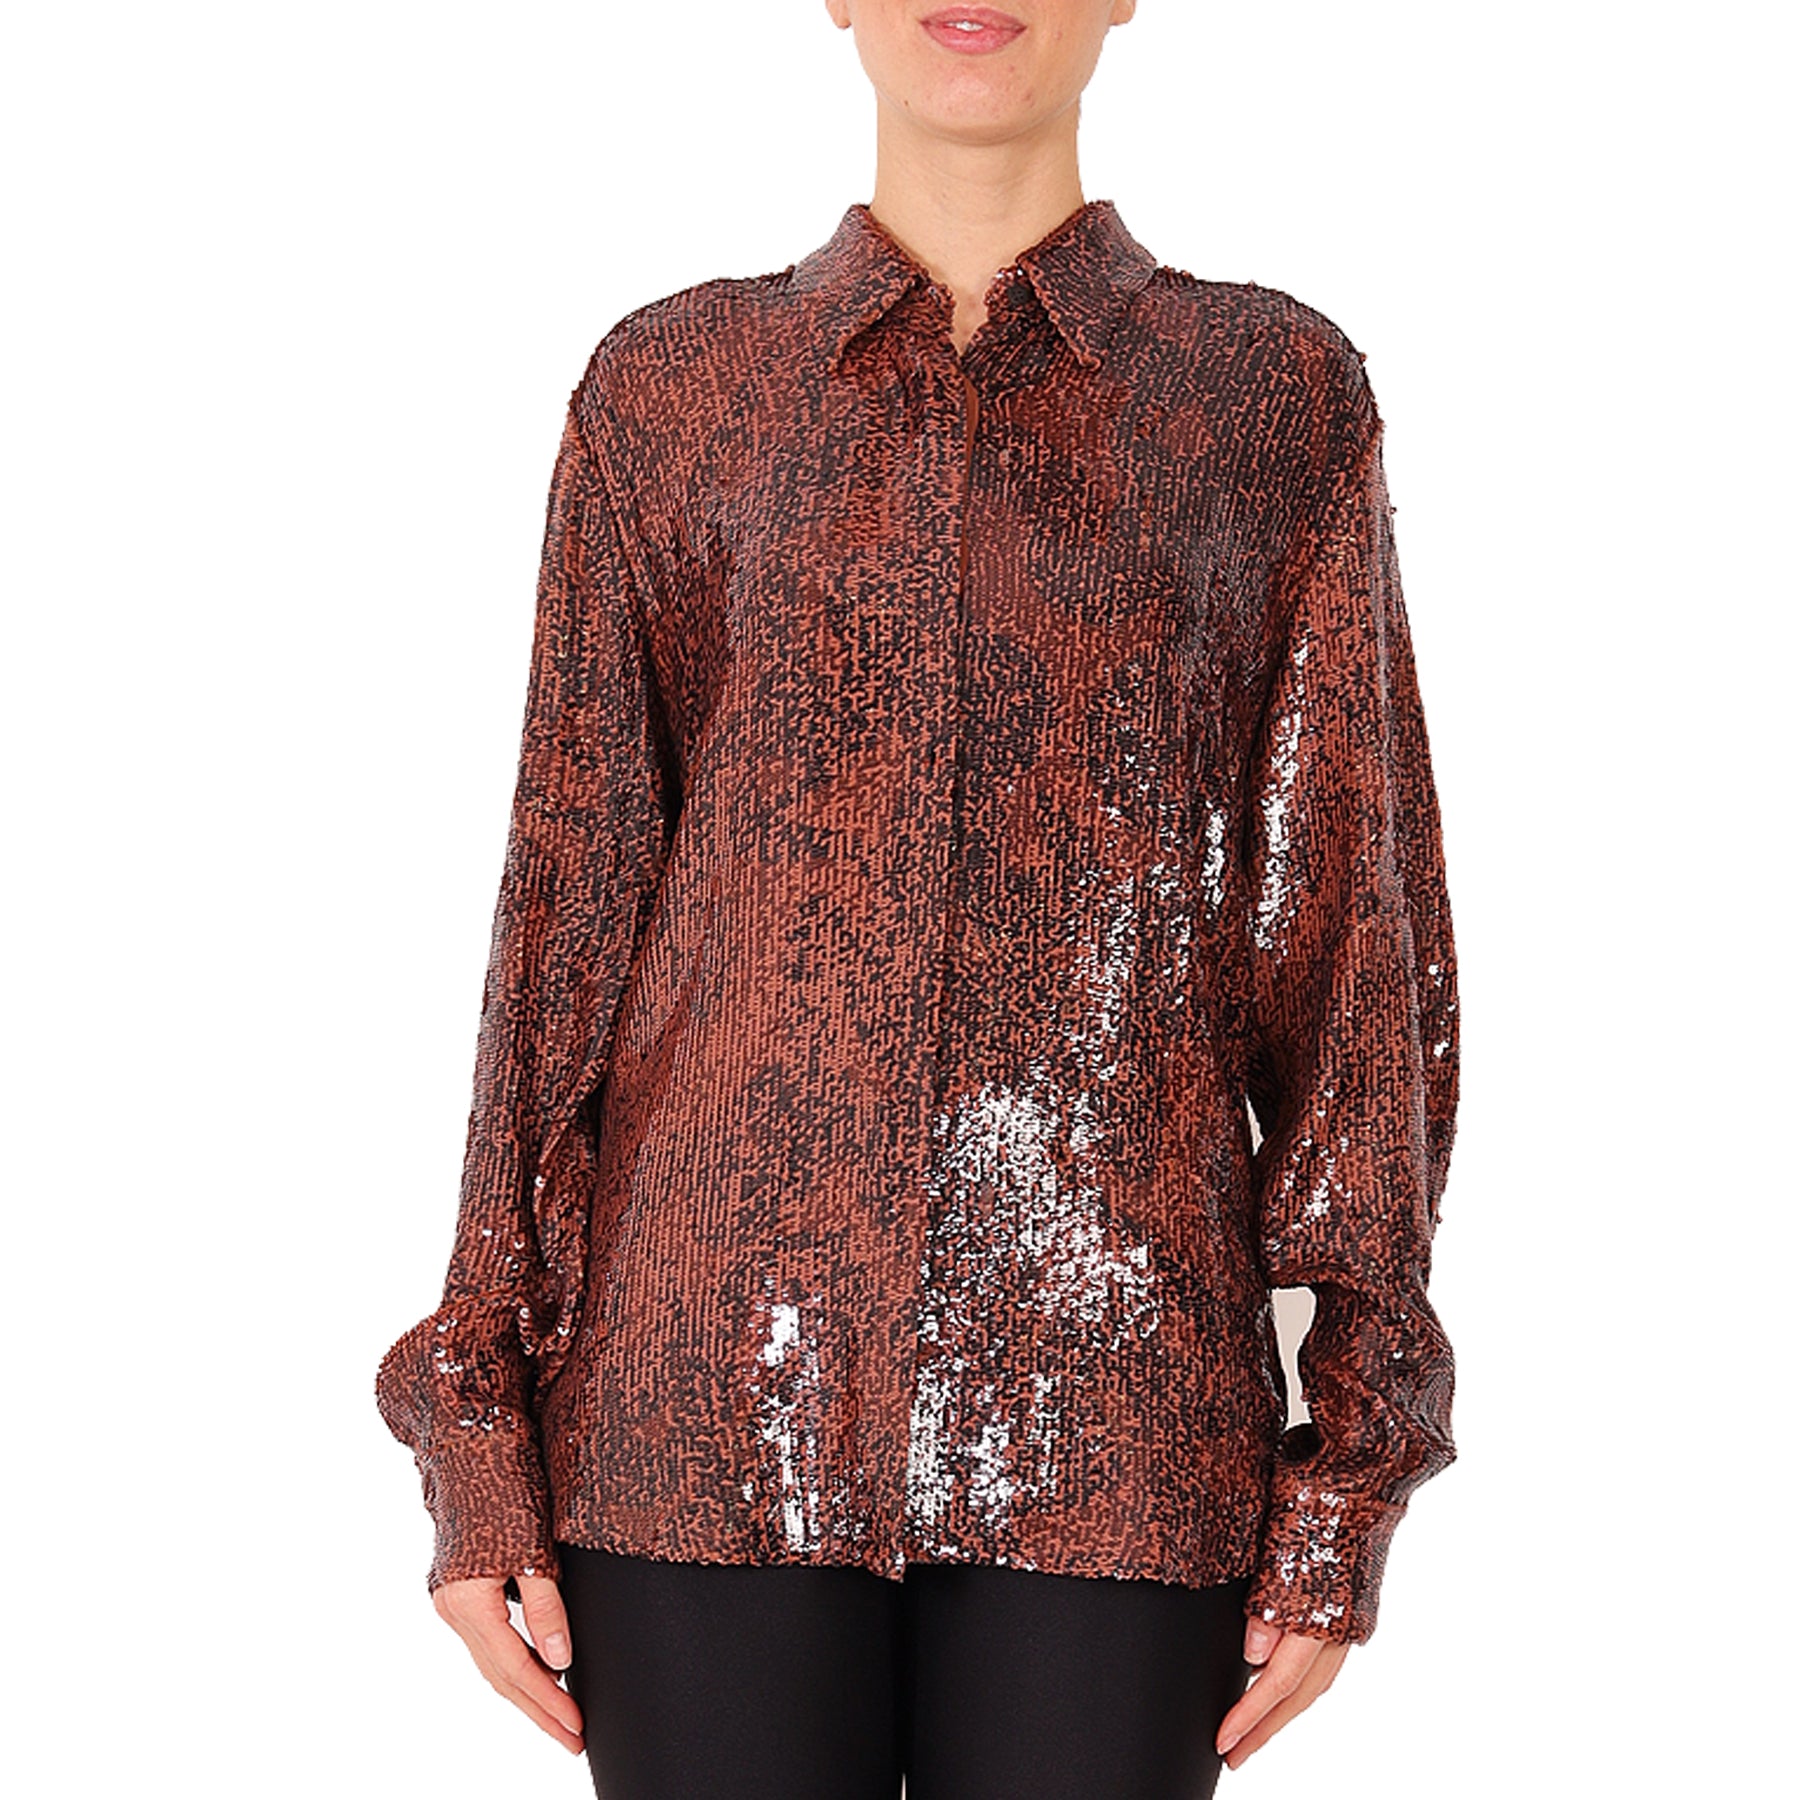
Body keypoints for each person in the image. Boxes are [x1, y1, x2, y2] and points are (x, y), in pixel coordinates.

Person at [373, 3, 1462, 1795]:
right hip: (695, 1417)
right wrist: (477, 1423)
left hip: (1119, 1423)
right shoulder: (670, 388)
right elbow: (564, 917)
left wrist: (1353, 1462)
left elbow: (1353, 941)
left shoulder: (1272, 395)